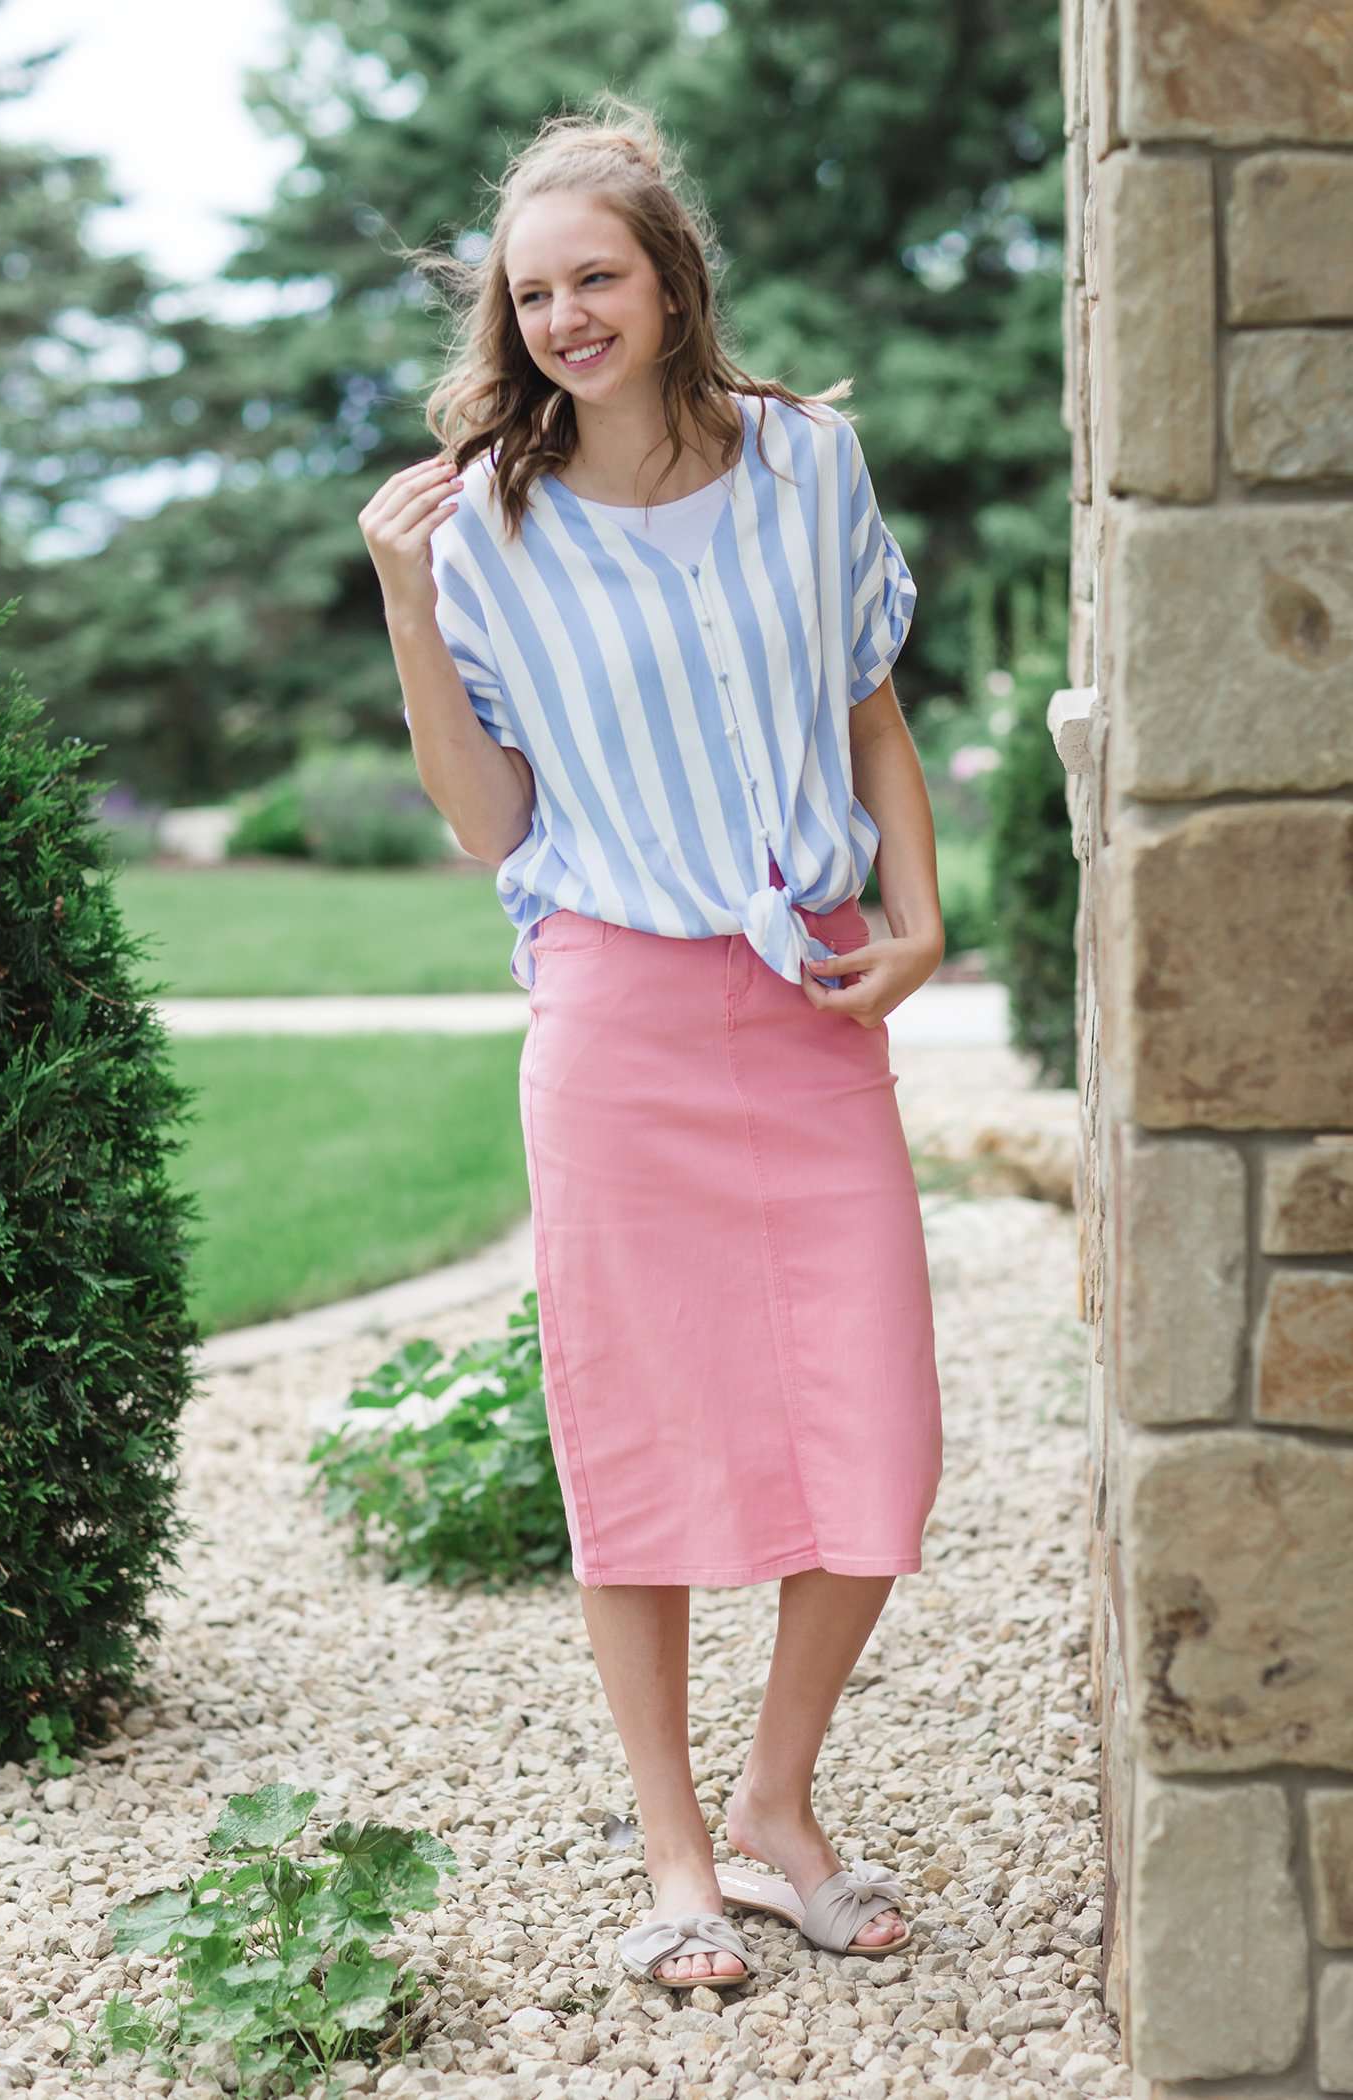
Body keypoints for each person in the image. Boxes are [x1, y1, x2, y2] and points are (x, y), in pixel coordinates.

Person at [358, 94, 945, 1993]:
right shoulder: (488, 533)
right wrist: (401, 602)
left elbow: (869, 716)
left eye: (592, 277)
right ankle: (680, 1859)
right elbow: (487, 824)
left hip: (807, 998)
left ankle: (781, 1806)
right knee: (641, 1448)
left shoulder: (809, 469)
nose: (561, 319)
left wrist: (921, 918)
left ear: (671, 279)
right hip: (614, 1011)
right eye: (530, 294)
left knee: (882, 1441)